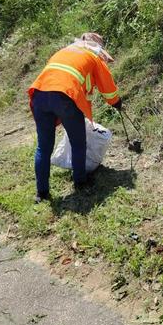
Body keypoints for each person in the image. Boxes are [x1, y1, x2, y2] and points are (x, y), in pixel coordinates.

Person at [28, 33, 122, 203]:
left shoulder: (64, 51)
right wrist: (116, 102)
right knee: (78, 142)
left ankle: (41, 193)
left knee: (43, 147)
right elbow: (107, 87)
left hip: (39, 95)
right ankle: (80, 182)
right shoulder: (93, 56)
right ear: (98, 48)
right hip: (65, 97)